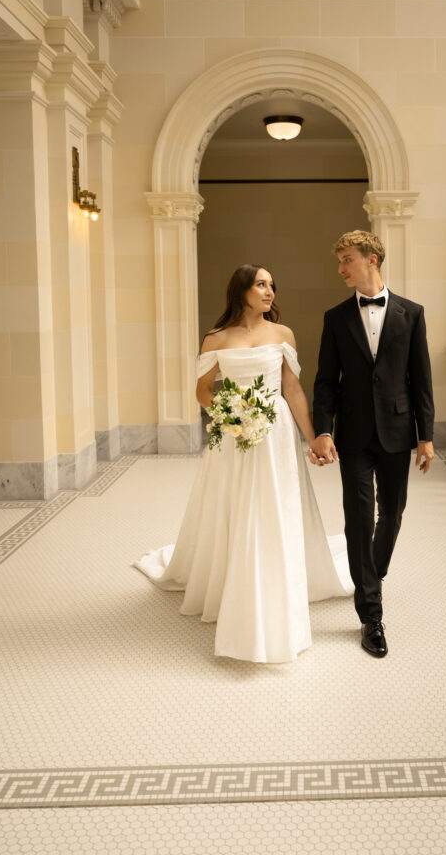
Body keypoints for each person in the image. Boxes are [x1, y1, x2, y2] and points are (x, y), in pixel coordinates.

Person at [134, 264, 351, 664]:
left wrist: (315, 438)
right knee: (237, 504)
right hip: (234, 436)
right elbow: (202, 390)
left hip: (277, 432)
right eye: (261, 285)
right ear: (242, 290)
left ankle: (276, 577)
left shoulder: (281, 335)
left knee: (274, 503)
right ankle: (235, 579)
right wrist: (231, 415)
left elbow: (292, 390)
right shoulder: (216, 338)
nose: (270, 292)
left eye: (272, 286)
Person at [310, 230, 434, 659]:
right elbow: (325, 382)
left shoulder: (412, 313)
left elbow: (421, 380)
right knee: (358, 518)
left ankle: (371, 573)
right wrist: (323, 430)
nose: (341, 268)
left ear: (372, 259)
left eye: (347, 259)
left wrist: (426, 437)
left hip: (399, 432)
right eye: (340, 261)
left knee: (392, 513)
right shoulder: (336, 317)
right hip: (354, 435)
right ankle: (371, 616)